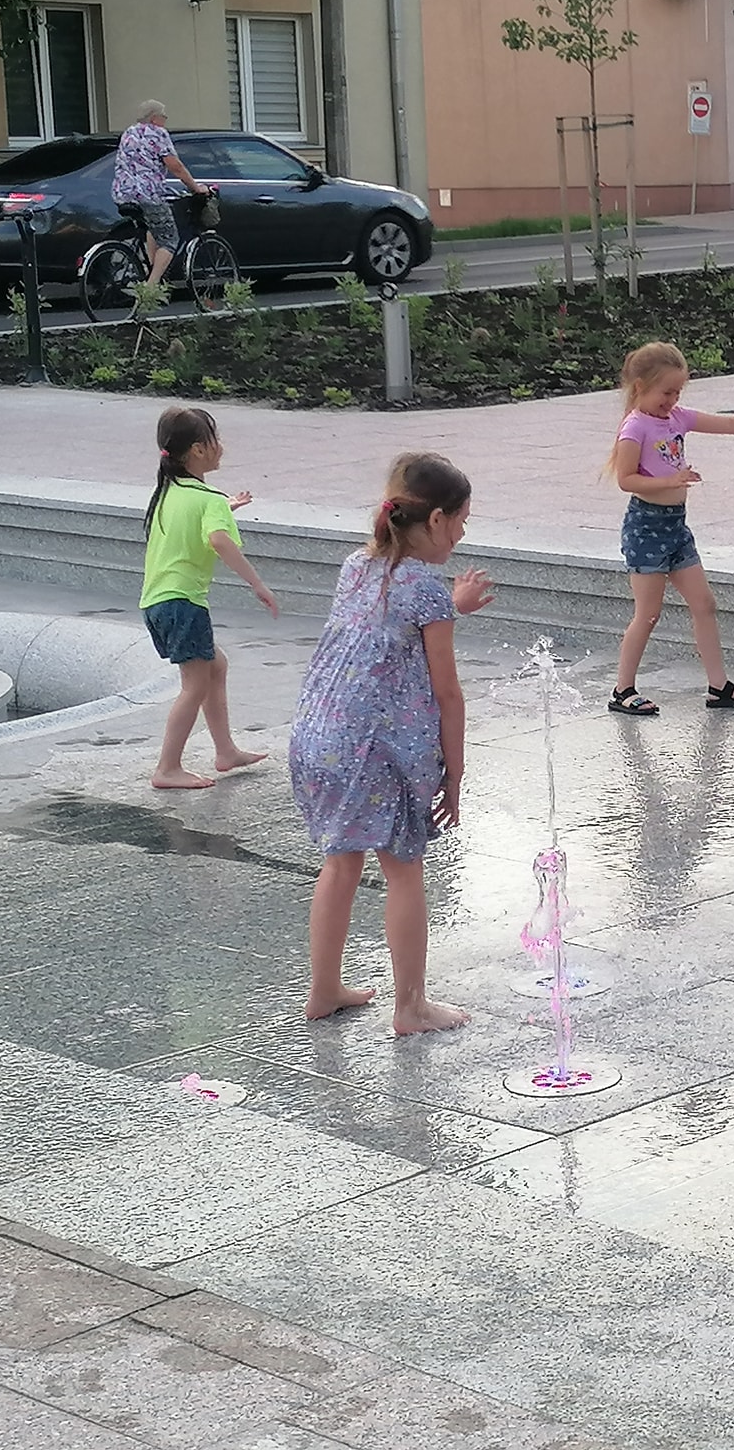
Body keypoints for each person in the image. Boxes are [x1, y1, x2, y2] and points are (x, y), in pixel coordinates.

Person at [290, 452, 495, 1036]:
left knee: (341, 860)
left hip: (318, 736)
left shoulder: (357, 565)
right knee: (404, 870)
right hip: (376, 753)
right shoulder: (427, 592)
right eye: (460, 521)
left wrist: (450, 607)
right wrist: (452, 775)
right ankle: (411, 1007)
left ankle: (324, 988)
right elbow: (448, 693)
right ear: (434, 521)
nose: (461, 533)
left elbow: (384, 629)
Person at [606, 341, 734, 716]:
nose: (673, 399)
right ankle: (623, 689)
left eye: (678, 391)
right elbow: (626, 480)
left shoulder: (676, 418)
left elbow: (726, 424)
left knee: (704, 604)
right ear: (640, 387)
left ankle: (719, 686)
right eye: (666, 391)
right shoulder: (635, 426)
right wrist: (672, 480)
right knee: (648, 613)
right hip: (645, 528)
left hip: (676, 528)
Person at [141, 406, 278, 790]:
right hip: (184, 604)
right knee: (194, 685)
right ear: (199, 450)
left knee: (215, 667)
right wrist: (258, 584)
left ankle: (226, 751)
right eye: (215, 441)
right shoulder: (208, 499)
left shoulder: (168, 490)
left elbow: (198, 520)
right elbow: (218, 540)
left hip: (157, 603)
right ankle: (167, 768)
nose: (222, 447)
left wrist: (226, 507)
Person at [111, 100, 209, 287]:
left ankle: (151, 267)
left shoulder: (129, 132)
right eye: (164, 115)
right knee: (170, 240)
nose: (165, 119)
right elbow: (175, 166)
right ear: (155, 118)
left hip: (123, 193)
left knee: (153, 226)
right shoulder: (158, 133)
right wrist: (195, 188)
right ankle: (151, 287)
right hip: (147, 194)